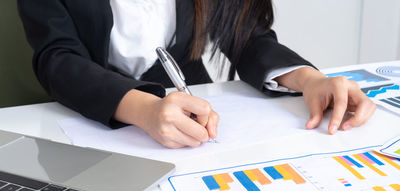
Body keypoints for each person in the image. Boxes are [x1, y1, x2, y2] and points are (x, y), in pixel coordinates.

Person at [18, 0, 375, 149]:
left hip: (191, 99)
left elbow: (246, 36)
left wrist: (309, 80)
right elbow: (57, 58)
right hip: (90, 113)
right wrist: (141, 109)